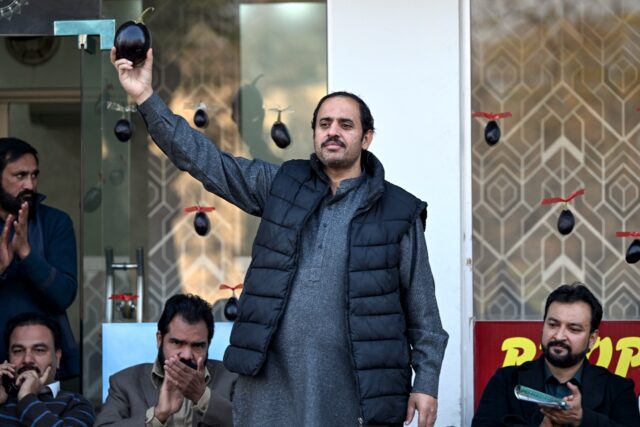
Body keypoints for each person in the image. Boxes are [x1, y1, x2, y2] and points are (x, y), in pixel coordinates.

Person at [112, 48, 448, 427]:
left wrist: (427, 382)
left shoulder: (398, 211)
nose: (332, 132)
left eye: (345, 125)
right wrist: (144, 97)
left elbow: (424, 315)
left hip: (355, 390)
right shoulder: (282, 186)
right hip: (271, 386)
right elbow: (206, 161)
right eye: (324, 124)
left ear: (366, 138)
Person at [472, 283, 640, 426]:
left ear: (592, 338)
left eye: (573, 329)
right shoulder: (506, 381)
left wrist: (582, 418)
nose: (559, 336)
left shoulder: (618, 389)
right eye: (553, 324)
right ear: (543, 325)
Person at [0, 137, 79, 380]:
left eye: (34, 175)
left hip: (45, 368)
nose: (30, 185)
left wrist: (26, 254)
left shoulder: (55, 222)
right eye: (20, 176)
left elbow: (63, 295)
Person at [95, 293, 237, 427]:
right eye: (177, 343)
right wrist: (157, 415)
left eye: (198, 345)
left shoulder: (232, 379)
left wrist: (202, 396)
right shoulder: (125, 382)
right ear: (159, 339)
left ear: (208, 344)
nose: (187, 355)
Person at [0, 312, 95, 426]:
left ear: (57, 357)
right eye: (18, 351)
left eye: (39, 350)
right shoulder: (2, 399)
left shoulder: (76, 404)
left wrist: (27, 398)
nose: (27, 359)